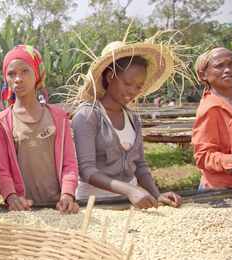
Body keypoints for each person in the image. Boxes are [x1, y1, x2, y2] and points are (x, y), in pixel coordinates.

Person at [71, 40, 182, 209]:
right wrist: (130, 190)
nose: (132, 91)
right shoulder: (88, 115)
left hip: (131, 203)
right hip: (95, 203)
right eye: (127, 83)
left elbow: (140, 165)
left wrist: (156, 194)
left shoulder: (132, 118)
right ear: (110, 77)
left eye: (138, 86)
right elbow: (87, 171)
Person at [0, 45, 79, 213]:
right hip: (23, 210)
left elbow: (69, 163)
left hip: (58, 208)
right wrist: (11, 197)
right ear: (6, 78)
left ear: (37, 74)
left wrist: (67, 194)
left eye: (25, 71)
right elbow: (2, 169)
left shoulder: (58, 118)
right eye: (11, 74)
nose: (18, 79)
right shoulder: (0, 123)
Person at [192, 47, 232, 190]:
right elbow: (204, 157)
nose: (228, 69)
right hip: (221, 190)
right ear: (203, 74)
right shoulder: (210, 108)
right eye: (219, 66)